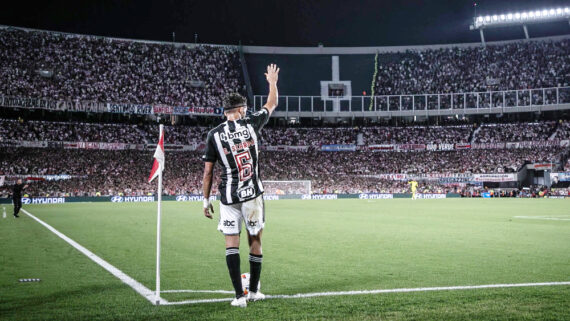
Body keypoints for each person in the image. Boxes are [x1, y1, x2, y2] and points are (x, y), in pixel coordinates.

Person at [201, 64, 279, 308]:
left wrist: (205, 201)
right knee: (254, 240)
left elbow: (208, 173)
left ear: (225, 112)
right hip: (253, 195)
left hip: (228, 196)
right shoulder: (251, 123)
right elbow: (271, 104)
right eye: (245, 108)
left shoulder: (213, 134)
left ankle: (239, 297)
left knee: (231, 243)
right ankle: (254, 291)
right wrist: (272, 83)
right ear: (241, 109)